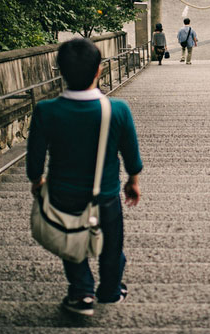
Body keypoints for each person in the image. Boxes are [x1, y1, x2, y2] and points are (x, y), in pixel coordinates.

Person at [27, 38, 142, 316]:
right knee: (112, 245)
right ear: (99, 71)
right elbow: (131, 154)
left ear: (61, 71)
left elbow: (35, 158)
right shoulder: (117, 109)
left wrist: (37, 181)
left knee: (71, 241)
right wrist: (133, 182)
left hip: (62, 194)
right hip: (105, 194)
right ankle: (110, 291)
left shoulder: (46, 111)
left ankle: (82, 293)